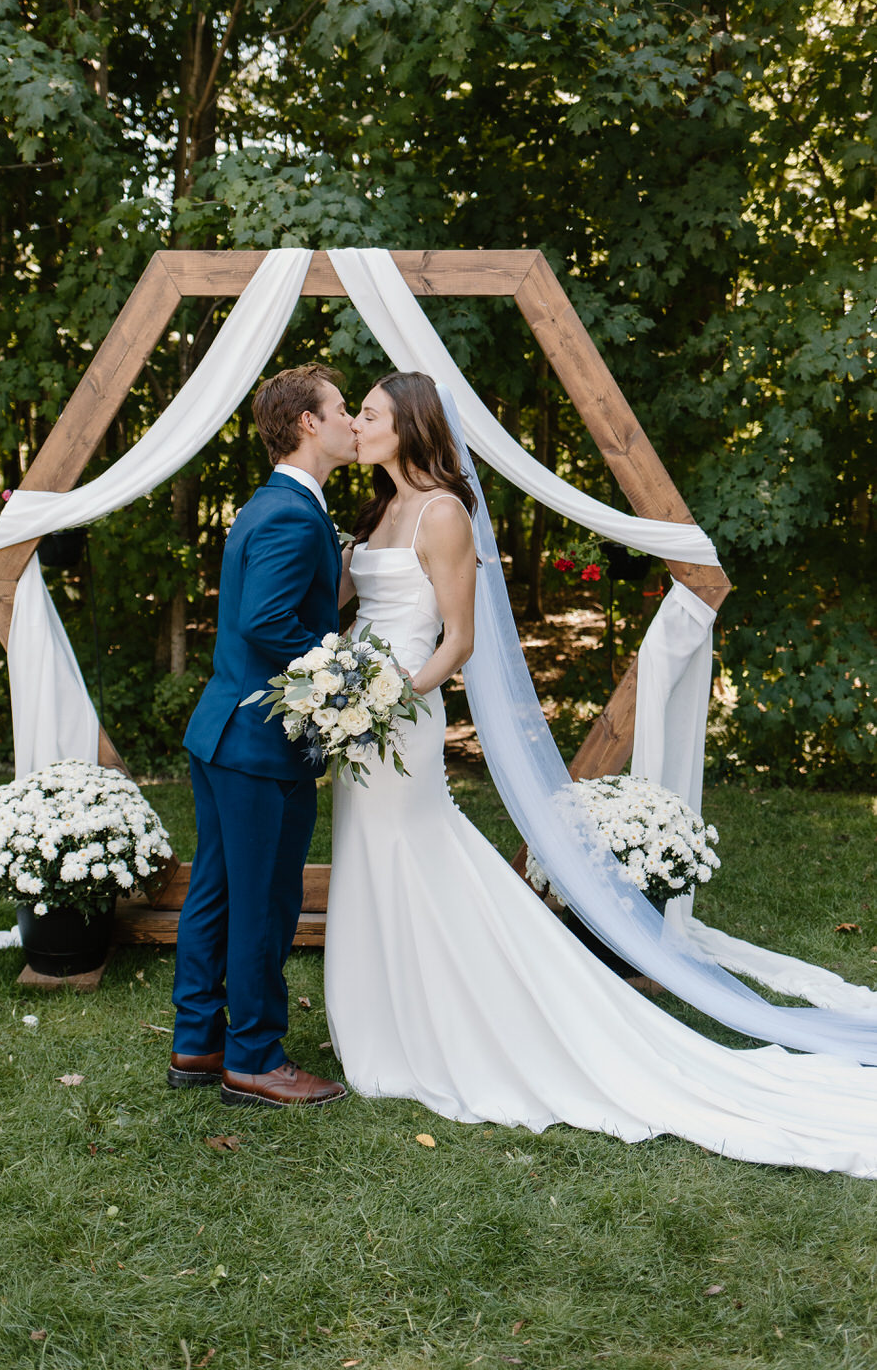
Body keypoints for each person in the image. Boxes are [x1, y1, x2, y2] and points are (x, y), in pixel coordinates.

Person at [324, 370, 877, 1177]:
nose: (357, 425)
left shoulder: (443, 512)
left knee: (416, 852)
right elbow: (352, 603)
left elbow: (458, 641)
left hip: (398, 719)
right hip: (356, 717)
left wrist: (388, 700)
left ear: (407, 426)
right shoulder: (376, 512)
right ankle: (389, 1016)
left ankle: (463, 1016)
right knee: (370, 858)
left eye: (368, 414)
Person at [171, 364, 355, 1108]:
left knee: (215, 892)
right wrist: (345, 676)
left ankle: (197, 1042)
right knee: (264, 902)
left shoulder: (275, 504)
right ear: (307, 423)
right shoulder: (289, 513)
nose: (351, 420)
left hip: (223, 733)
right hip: (256, 744)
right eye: (341, 409)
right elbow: (268, 624)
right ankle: (253, 1058)